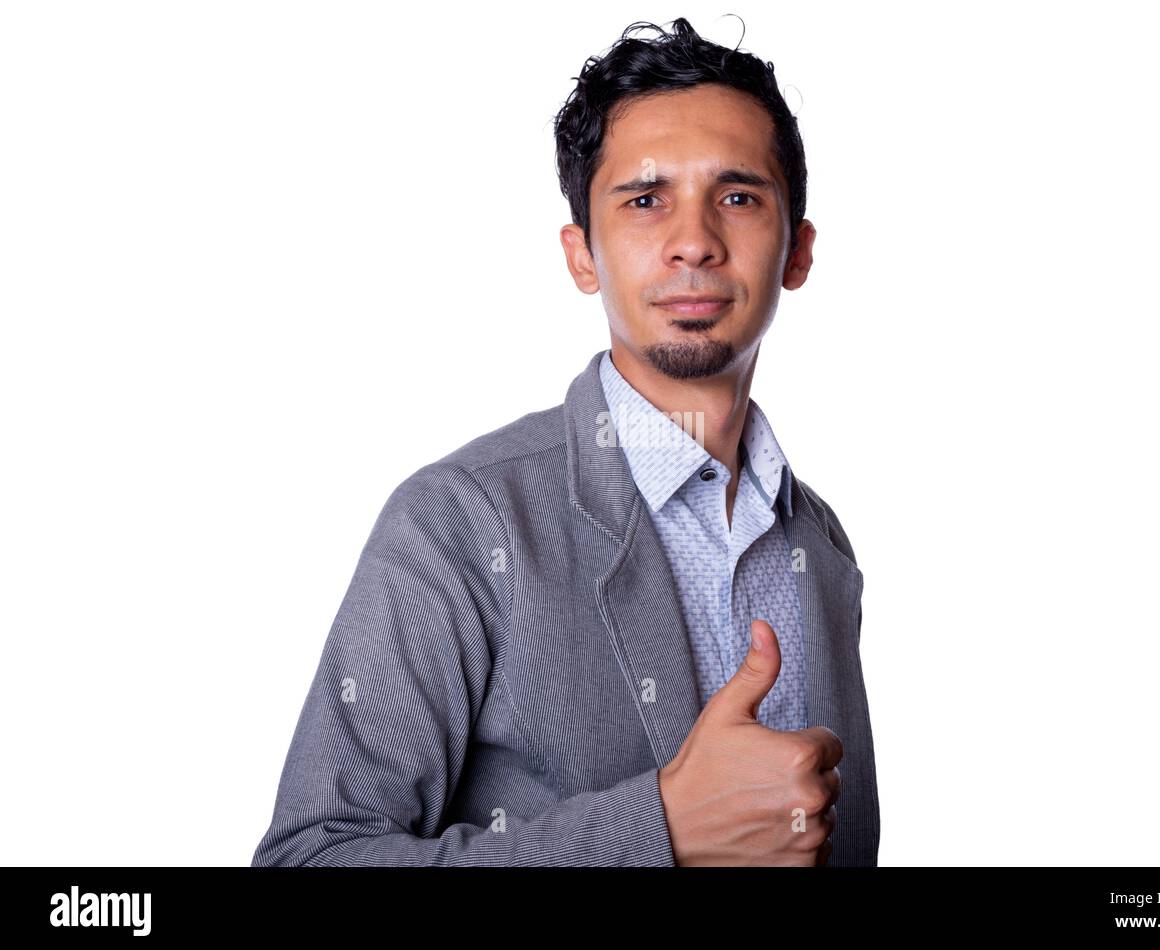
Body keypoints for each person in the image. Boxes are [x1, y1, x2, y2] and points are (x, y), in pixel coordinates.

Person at [251, 16, 879, 867]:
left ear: (797, 250)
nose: (693, 241)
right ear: (582, 255)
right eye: (645, 201)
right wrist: (656, 833)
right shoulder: (462, 521)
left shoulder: (821, 545)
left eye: (736, 197)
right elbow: (307, 859)